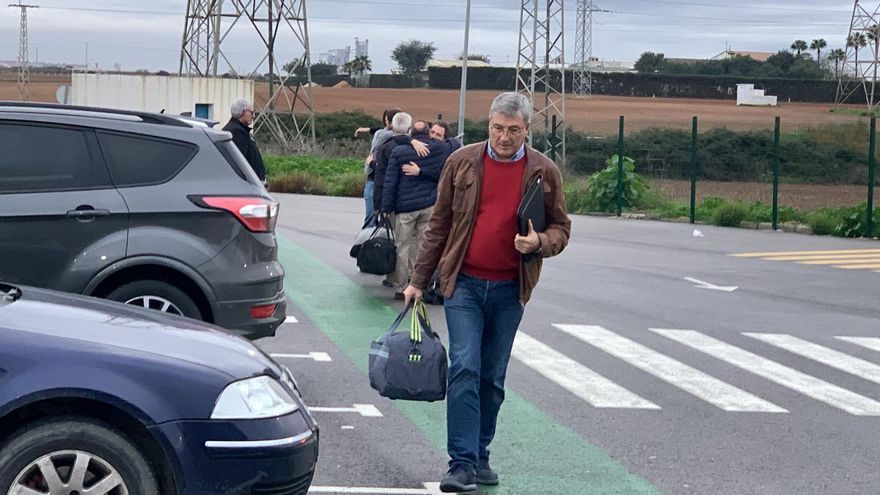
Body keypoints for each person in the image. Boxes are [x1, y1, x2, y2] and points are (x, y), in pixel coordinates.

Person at [402, 92, 571, 493]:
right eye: (497, 128)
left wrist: (540, 243)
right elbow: (439, 224)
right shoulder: (462, 162)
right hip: (464, 284)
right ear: (488, 125)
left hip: (511, 289)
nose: (504, 137)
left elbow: (562, 228)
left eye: (513, 130)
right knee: (464, 367)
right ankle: (460, 463)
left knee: (492, 377)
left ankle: (480, 454)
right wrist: (417, 280)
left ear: (527, 129)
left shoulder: (544, 172)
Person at [381, 118, 455, 299]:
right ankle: (419, 284)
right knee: (424, 247)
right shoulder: (440, 150)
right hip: (428, 205)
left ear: (411, 133)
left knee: (403, 247)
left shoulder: (399, 151)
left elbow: (390, 182)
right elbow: (453, 148)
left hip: (405, 207)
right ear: (428, 132)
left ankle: (401, 286)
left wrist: (386, 207)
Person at [355, 108, 400, 224]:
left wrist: (366, 129)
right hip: (374, 179)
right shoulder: (382, 135)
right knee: (372, 217)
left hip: (383, 180)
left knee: (384, 220)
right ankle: (368, 239)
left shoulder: (383, 133)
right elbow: (403, 134)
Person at [223, 99, 265, 181]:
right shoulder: (237, 133)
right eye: (251, 112)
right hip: (247, 183)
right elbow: (241, 161)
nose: (253, 116)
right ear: (244, 112)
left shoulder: (239, 130)